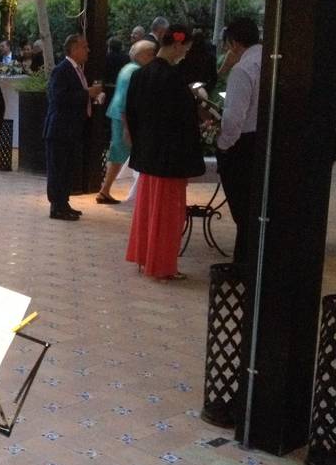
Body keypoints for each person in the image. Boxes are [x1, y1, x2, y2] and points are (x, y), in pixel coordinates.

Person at [125, 24, 204, 279]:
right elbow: (184, 120)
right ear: (178, 45)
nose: (186, 53)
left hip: (148, 153)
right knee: (168, 214)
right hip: (170, 158)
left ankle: (143, 257)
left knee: (147, 209)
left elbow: (132, 114)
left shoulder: (140, 75)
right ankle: (161, 265)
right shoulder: (174, 78)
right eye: (186, 48)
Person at [43, 33, 104, 221]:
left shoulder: (77, 69)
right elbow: (59, 98)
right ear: (74, 48)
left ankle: (64, 202)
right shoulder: (62, 70)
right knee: (58, 168)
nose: (88, 50)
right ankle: (57, 206)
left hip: (71, 128)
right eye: (84, 47)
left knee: (67, 168)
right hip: (60, 128)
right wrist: (87, 93)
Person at [217, 18, 262, 264]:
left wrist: (223, 145)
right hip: (265, 140)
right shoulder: (268, 61)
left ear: (233, 43)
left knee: (243, 209)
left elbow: (234, 118)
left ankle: (244, 261)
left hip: (244, 145)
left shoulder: (243, 70)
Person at [97, 40, 157, 204]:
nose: (153, 57)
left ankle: (106, 190)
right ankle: (108, 190)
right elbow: (126, 99)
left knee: (118, 154)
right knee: (122, 154)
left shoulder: (128, 68)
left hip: (119, 115)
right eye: (150, 54)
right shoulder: (135, 71)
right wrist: (127, 127)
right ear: (141, 55)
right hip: (123, 118)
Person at [177, 28, 218, 93]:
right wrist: (207, 89)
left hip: (187, 88)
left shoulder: (186, 56)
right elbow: (214, 78)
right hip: (202, 88)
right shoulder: (210, 57)